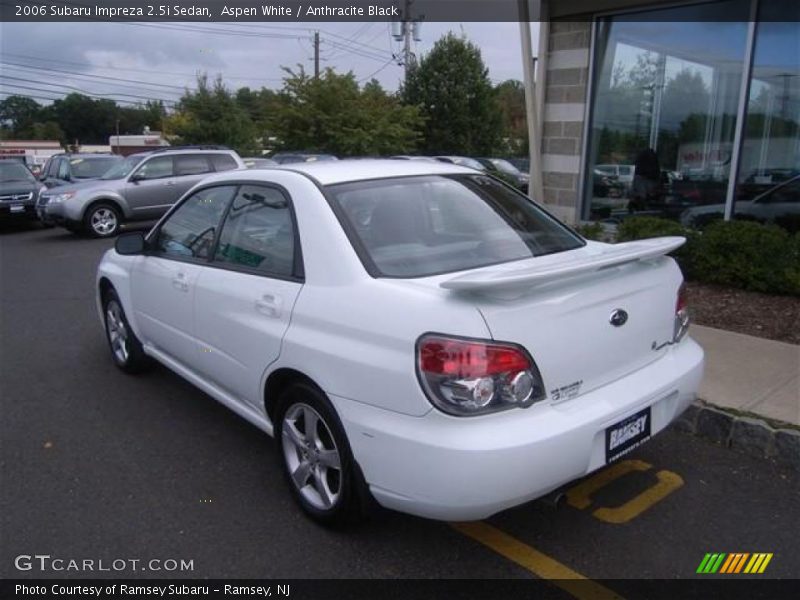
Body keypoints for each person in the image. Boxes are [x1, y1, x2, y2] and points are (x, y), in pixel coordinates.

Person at [630, 148, 661, 213]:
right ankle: (639, 201)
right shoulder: (654, 166)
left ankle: (640, 201)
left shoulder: (640, 173)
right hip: (651, 184)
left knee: (639, 181)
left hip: (646, 185)